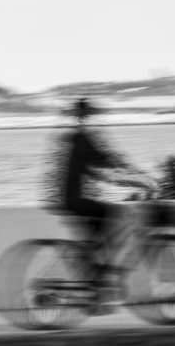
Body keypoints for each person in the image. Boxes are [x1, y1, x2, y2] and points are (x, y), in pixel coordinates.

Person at [49, 97, 152, 313]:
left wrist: (132, 179)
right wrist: (140, 176)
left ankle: (95, 291)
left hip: (69, 199)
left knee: (98, 241)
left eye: (88, 115)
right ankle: (94, 295)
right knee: (112, 216)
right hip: (74, 200)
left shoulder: (73, 138)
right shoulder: (82, 139)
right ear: (81, 117)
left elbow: (98, 170)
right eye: (85, 115)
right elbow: (107, 159)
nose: (87, 118)